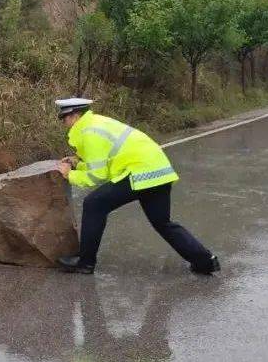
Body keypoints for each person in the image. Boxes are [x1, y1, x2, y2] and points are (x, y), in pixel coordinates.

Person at [54, 97, 220, 275]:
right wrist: (77, 164)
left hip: (139, 173)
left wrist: (69, 174)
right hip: (159, 171)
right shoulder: (97, 123)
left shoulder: (89, 133)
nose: (64, 123)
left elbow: (97, 176)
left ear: (76, 116)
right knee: (163, 222)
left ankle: (85, 263)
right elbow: (104, 164)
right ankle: (205, 261)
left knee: (94, 204)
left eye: (64, 118)